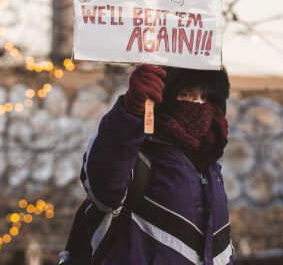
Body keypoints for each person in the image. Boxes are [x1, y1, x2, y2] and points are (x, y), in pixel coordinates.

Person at [71, 64, 233, 265]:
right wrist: (130, 113)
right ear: (162, 97)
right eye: (185, 94)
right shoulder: (135, 154)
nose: (198, 104)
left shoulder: (211, 171)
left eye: (205, 96)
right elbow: (104, 188)